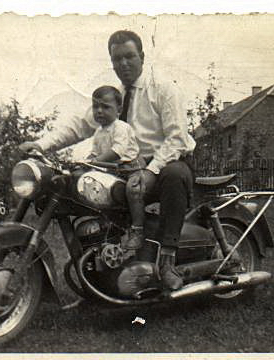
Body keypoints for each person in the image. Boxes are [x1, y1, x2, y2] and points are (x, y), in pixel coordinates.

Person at [20, 30, 196, 290]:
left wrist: (151, 170)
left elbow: (176, 139)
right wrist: (41, 144)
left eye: (129, 56)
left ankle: (167, 260)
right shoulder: (114, 97)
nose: (123, 64)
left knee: (174, 174)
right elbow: (78, 126)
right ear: (111, 61)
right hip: (127, 168)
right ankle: (104, 268)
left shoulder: (163, 89)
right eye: (117, 59)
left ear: (142, 57)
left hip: (165, 163)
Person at [85, 85, 147, 253]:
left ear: (119, 109)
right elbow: (95, 153)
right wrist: (85, 162)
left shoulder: (121, 127)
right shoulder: (99, 132)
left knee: (133, 190)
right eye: (95, 106)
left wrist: (95, 161)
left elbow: (117, 151)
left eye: (105, 107)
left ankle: (138, 230)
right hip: (113, 171)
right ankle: (110, 232)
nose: (99, 111)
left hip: (131, 169)